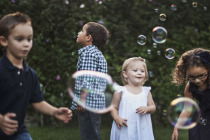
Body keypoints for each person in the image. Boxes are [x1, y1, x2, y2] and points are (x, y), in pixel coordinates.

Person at [0, 12, 72, 140]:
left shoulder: (30, 74)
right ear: (4, 41)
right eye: (19, 39)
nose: (26, 44)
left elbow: (37, 101)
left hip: (19, 132)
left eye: (29, 39)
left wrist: (54, 111)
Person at [70, 22, 109, 140]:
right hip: (93, 102)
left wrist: (82, 100)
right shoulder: (95, 53)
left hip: (88, 102)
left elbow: (87, 79)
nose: (78, 33)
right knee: (92, 133)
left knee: (89, 135)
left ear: (88, 38)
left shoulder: (89, 54)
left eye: (82, 31)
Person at [110, 57, 156, 140]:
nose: (139, 73)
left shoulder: (146, 91)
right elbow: (113, 107)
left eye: (142, 71)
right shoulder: (120, 91)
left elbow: (153, 107)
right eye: (135, 70)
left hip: (142, 127)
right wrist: (117, 118)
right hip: (125, 127)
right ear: (125, 74)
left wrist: (147, 108)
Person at [171, 48, 210, 140]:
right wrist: (177, 127)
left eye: (202, 75)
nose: (197, 80)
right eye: (192, 77)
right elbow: (187, 109)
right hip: (201, 120)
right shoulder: (190, 87)